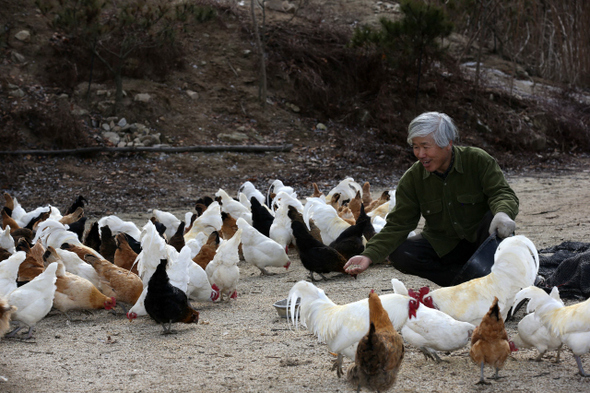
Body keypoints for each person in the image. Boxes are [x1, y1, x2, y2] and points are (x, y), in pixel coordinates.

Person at [344, 111, 518, 286]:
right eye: (415, 147)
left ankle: (501, 278)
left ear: (447, 144)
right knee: (401, 254)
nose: (420, 154)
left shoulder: (477, 160)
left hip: (482, 243)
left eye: (426, 147)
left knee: (493, 219)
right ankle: (463, 283)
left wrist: (503, 213)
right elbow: (398, 224)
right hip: (445, 246)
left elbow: (501, 193)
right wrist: (368, 255)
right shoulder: (412, 178)